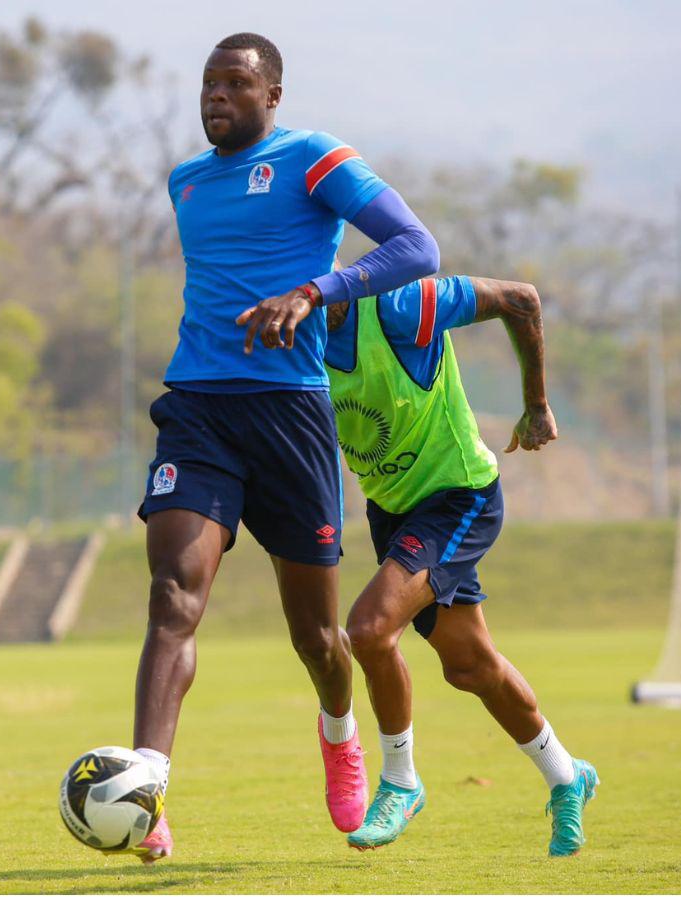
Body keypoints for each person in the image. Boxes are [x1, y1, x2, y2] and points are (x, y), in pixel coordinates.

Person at [129, 32, 440, 863]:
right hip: (198, 411)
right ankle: (145, 789)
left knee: (318, 639)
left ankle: (339, 734)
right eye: (208, 83)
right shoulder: (185, 182)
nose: (217, 96)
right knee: (174, 594)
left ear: (273, 96)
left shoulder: (314, 158)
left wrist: (314, 292)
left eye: (236, 83)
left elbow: (417, 248)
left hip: (292, 417)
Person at [323, 275, 598, 856]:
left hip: (458, 498)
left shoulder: (400, 309)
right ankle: (566, 774)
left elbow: (522, 299)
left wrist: (536, 406)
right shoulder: (294, 343)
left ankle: (401, 781)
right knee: (469, 666)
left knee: (370, 630)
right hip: (392, 511)